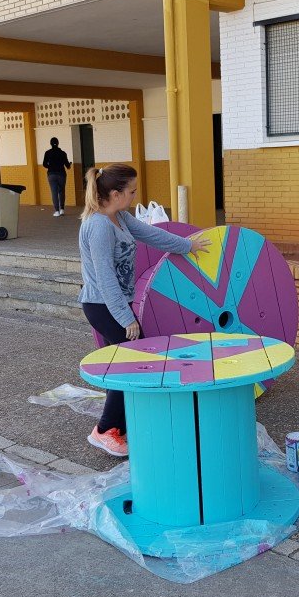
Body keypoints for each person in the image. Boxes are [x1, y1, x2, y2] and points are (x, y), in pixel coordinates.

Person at [79, 163, 211, 457]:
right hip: (102, 305)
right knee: (131, 363)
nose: (135, 196)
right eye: (131, 191)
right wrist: (126, 318)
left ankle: (120, 427)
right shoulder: (99, 226)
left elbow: (152, 235)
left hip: (113, 303)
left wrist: (187, 246)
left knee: (133, 362)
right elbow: (104, 278)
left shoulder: (120, 217)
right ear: (114, 193)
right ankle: (104, 431)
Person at [42, 137, 71, 217]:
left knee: (54, 192)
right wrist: (69, 164)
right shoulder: (63, 153)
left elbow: (44, 164)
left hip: (51, 174)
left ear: (50, 143)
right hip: (61, 174)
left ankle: (57, 211)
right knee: (61, 191)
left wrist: (50, 166)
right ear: (58, 143)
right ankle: (62, 209)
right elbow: (67, 166)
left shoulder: (47, 153)